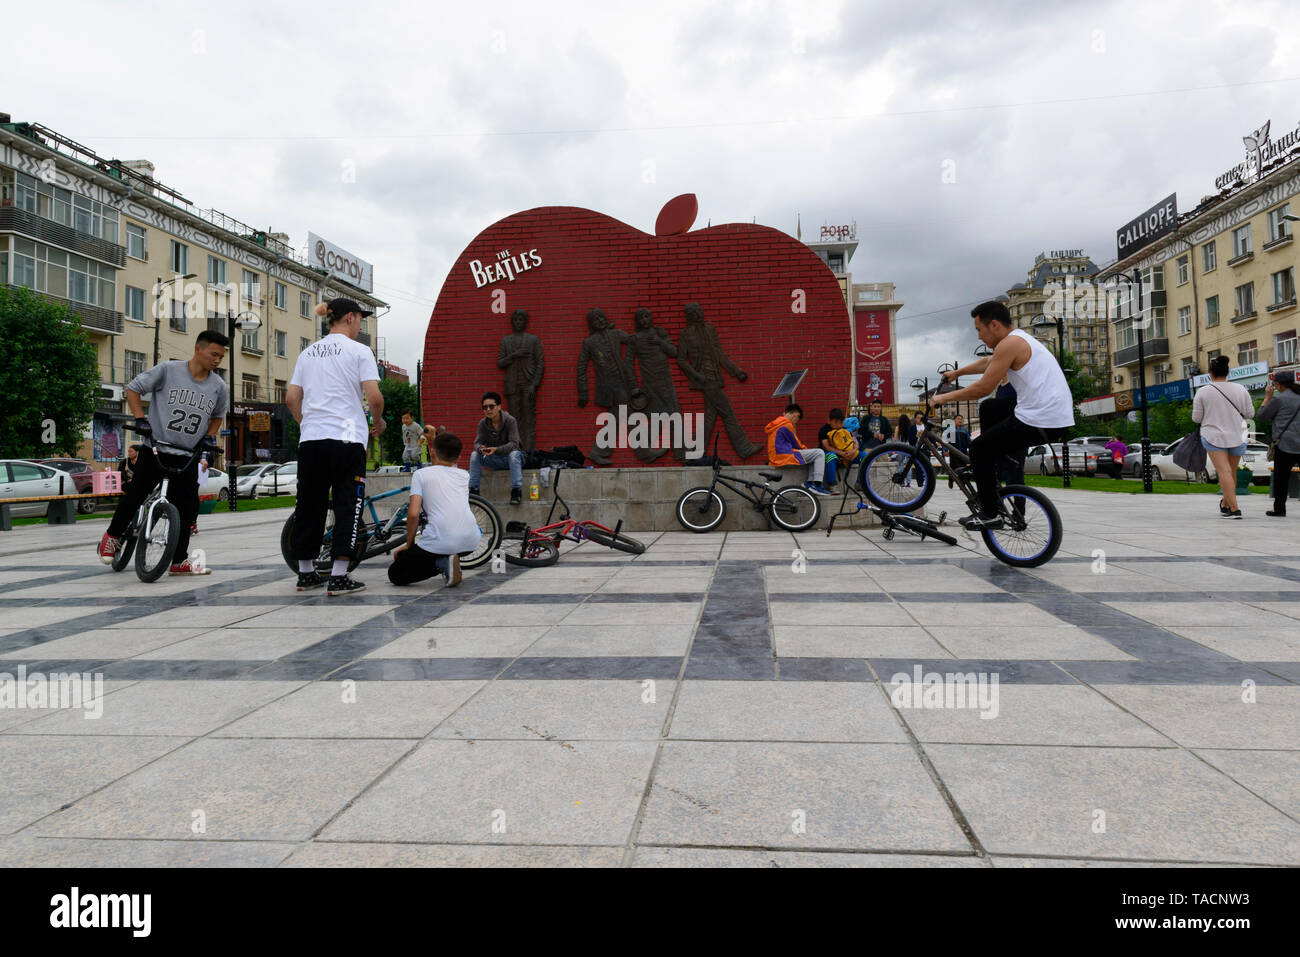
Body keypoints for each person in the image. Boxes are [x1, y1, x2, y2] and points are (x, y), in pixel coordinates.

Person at [931, 300, 1074, 530]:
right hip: (1050, 414)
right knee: (989, 407)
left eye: (979, 330)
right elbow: (988, 362)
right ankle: (992, 468)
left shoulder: (1009, 344)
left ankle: (990, 514)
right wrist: (957, 372)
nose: (979, 337)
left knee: (979, 448)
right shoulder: (1019, 339)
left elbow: (982, 388)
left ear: (994, 325)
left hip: (1040, 418)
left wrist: (942, 398)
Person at [97, 330, 229, 573]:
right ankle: (112, 537)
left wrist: (208, 437)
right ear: (198, 349)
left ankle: (179, 561)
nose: (217, 360)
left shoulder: (219, 386)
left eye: (221, 356)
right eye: (214, 354)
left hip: (187, 456)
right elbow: (133, 389)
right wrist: (140, 419)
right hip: (156, 448)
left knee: (188, 507)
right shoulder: (168, 370)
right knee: (136, 493)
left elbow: (218, 416)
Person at [286, 298, 384, 596]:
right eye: (360, 320)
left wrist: (307, 424)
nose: (360, 326)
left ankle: (306, 573)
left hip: (312, 441)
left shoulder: (308, 352)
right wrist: (376, 423)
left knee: (308, 506)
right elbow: (375, 397)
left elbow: (291, 399)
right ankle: (339, 575)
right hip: (347, 439)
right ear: (350, 318)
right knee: (347, 505)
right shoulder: (360, 351)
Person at [388, 432, 482, 587]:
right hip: (471, 542)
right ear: (458, 458)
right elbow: (447, 462)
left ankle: (442, 562)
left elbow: (413, 514)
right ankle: (448, 560)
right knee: (432, 551)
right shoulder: (464, 475)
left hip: (442, 541)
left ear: (431, 452)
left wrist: (408, 544)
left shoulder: (421, 475)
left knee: (396, 574)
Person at [1193, 355, 1255, 519]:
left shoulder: (1203, 391)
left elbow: (1196, 418)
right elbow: (1250, 414)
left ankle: (1234, 509)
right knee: (1231, 471)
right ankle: (1225, 504)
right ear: (1228, 373)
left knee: (1224, 471)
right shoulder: (1241, 389)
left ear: (1210, 374)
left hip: (1214, 436)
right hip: (1238, 434)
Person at [469, 391, 524, 504]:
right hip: (495, 459)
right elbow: (477, 443)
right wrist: (481, 449)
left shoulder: (510, 420)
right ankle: (474, 491)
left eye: (491, 406)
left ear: (499, 407)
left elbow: (514, 443)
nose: (488, 409)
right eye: (485, 407)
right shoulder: (483, 424)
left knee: (514, 454)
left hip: (513, 460)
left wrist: (497, 449)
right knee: (474, 455)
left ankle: (516, 491)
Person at [1258, 370, 1300, 517]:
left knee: (1281, 478)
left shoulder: (1279, 399)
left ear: (1279, 385)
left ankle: (1279, 509)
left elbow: (1262, 416)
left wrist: (1267, 397)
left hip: (1285, 444)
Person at [765, 403, 830, 495]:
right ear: (796, 415)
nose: (796, 422)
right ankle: (817, 484)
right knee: (819, 453)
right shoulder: (787, 424)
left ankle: (811, 483)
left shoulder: (775, 424)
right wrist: (807, 450)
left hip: (776, 456)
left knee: (813, 457)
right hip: (784, 456)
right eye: (797, 419)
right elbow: (797, 444)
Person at [818, 408, 858, 491]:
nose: (839, 425)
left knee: (864, 456)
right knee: (831, 456)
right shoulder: (824, 430)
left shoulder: (845, 430)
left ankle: (860, 483)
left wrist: (853, 451)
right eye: (836, 422)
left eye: (841, 422)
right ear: (829, 420)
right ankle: (832, 484)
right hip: (831, 454)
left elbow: (855, 442)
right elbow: (826, 447)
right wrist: (841, 453)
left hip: (847, 454)